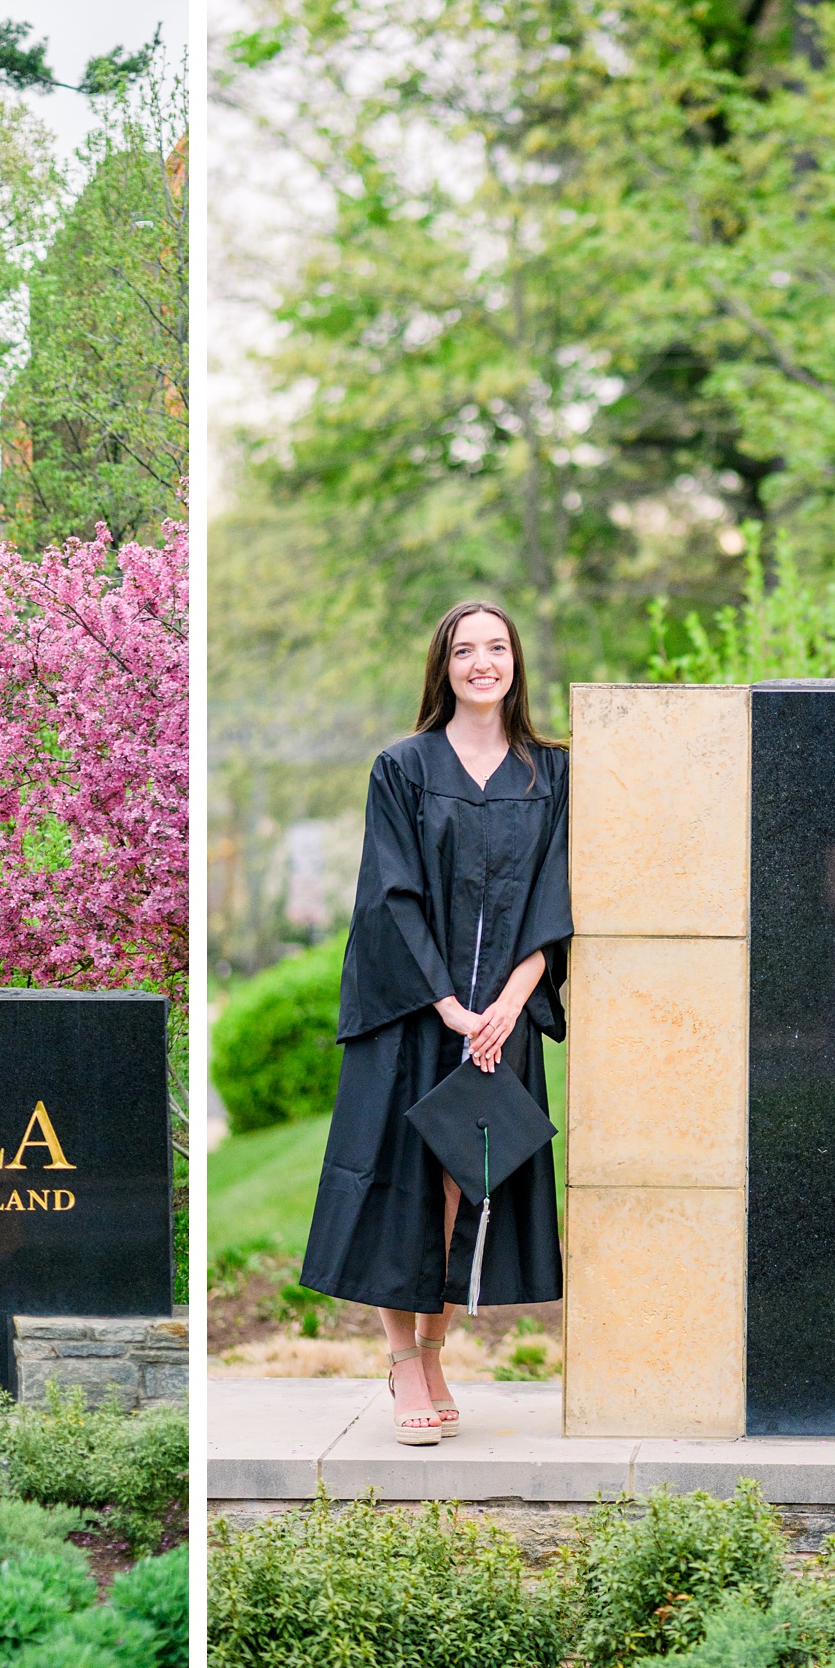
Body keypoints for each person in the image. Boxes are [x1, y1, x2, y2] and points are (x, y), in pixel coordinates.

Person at [298, 601, 572, 1444]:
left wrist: (510, 1004)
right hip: (417, 1013)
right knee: (406, 1183)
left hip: (505, 1016)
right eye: (465, 650)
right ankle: (401, 1360)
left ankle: (436, 1345)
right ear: (443, 666)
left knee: (468, 1182)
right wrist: (450, 1003)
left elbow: (561, 898)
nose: (482, 662)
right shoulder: (404, 767)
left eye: (496, 648)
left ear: (516, 663)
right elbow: (390, 893)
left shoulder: (552, 772)